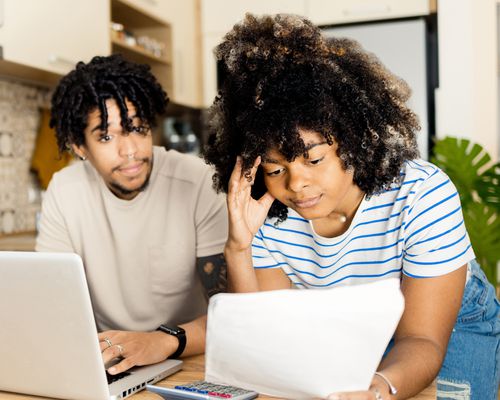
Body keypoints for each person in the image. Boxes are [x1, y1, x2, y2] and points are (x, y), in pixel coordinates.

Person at [204, 14, 499, 400]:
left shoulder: (421, 194)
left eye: (314, 160)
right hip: (351, 322)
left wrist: (378, 389)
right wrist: (239, 247)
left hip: (450, 318)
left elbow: (422, 338)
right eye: (276, 168)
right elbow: (265, 336)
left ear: (356, 142)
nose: (296, 184)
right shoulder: (266, 209)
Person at [37, 54, 228, 375]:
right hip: (108, 361)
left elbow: (231, 311)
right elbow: (49, 300)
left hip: (188, 356)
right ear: (79, 147)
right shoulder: (64, 189)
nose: (130, 151)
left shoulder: (196, 181)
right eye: (107, 137)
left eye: (137, 128)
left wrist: (160, 341)